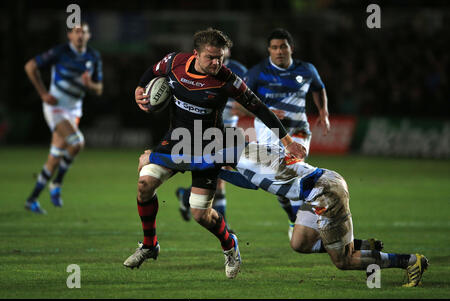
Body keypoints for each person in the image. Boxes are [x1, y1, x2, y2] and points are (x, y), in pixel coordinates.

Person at [123, 28, 306, 279]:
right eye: (211, 57)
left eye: (220, 57)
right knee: (145, 184)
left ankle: (229, 244)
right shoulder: (174, 62)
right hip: (177, 140)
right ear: (195, 53)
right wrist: (140, 88)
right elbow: (152, 72)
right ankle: (149, 245)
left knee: (200, 213)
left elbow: (259, 108)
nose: (216, 62)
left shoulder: (227, 79)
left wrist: (287, 141)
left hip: (209, 147)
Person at [139, 138, 428, 287]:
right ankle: (361, 246)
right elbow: (239, 178)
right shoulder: (246, 156)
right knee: (299, 243)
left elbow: (195, 160)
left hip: (324, 191)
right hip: (313, 190)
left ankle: (408, 261)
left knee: (343, 261)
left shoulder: (238, 152)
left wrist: (153, 157)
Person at [244, 28, 330, 241]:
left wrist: (323, 112)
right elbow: (241, 103)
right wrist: (267, 112)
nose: (279, 51)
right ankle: (294, 217)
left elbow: (319, 89)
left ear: (291, 48)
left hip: (298, 130)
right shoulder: (257, 72)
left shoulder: (307, 70)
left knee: (293, 167)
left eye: (283, 46)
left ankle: (308, 224)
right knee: (279, 178)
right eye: (274, 47)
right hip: (268, 131)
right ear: (269, 50)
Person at [24, 22, 103, 214]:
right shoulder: (60, 52)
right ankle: (57, 184)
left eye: (83, 32)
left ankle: (32, 199)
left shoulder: (93, 56)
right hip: (55, 108)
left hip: (74, 110)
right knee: (76, 143)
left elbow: (99, 89)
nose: (80, 36)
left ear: (89, 35)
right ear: (69, 36)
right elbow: (30, 66)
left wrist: (90, 84)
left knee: (54, 158)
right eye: (76, 32)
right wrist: (43, 93)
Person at [175, 47, 248, 231]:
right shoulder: (200, 70)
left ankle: (186, 196)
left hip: (229, 129)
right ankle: (223, 221)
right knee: (216, 172)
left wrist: (242, 107)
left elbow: (244, 103)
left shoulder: (239, 71)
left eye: (223, 49)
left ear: (228, 50)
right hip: (207, 129)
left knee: (219, 172)